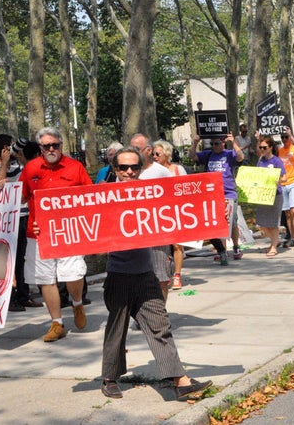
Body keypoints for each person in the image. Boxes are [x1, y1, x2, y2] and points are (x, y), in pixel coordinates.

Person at [100, 147, 213, 400]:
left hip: (146, 273)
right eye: (123, 167)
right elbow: (72, 221)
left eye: (134, 167)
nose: (129, 171)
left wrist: (214, 215)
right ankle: (109, 378)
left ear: (141, 168)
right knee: (117, 329)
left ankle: (179, 380)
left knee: (160, 325)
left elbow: (182, 213)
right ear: (115, 169)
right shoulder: (103, 196)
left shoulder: (151, 194)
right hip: (118, 274)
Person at [20, 127, 92, 342]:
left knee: (73, 274)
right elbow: (21, 197)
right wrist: (3, 189)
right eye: (46, 146)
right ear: (40, 148)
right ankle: (57, 323)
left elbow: (89, 197)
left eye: (55, 145)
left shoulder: (75, 167)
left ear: (61, 145)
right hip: (39, 234)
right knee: (46, 279)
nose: (51, 149)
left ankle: (77, 304)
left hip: (69, 232)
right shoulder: (30, 168)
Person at [0, 134, 44, 312]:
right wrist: (4, 163)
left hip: (22, 217)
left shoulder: (19, 166)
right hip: (1, 220)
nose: (12, 149)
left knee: (23, 259)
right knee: (2, 261)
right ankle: (6, 300)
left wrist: (19, 159)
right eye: (9, 147)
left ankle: (24, 297)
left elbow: (32, 177)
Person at [130, 133, 174, 300]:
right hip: (134, 233)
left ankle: (159, 313)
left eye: (137, 148)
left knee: (161, 276)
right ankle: (143, 312)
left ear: (148, 150)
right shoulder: (126, 173)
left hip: (158, 233)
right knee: (137, 277)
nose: (133, 152)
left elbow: (174, 199)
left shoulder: (162, 172)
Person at [189, 133, 245, 264]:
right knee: (220, 222)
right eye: (212, 144)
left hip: (228, 193)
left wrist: (234, 142)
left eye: (217, 143)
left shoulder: (229, 154)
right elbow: (192, 156)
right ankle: (223, 250)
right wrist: (195, 143)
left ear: (223, 143)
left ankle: (236, 246)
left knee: (232, 222)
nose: (214, 146)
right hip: (213, 194)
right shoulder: (208, 154)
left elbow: (240, 157)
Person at [152, 139, 188, 290]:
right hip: (158, 213)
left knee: (176, 245)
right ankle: (163, 274)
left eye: (157, 153)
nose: (154, 156)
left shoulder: (177, 170)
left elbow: (187, 189)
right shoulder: (151, 171)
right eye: (153, 154)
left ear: (166, 154)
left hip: (176, 212)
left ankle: (177, 275)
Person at [255, 134, 287, 257]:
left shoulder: (276, 161)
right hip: (263, 194)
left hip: (275, 195)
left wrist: (276, 181)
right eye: (260, 147)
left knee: (273, 223)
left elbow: (285, 177)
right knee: (262, 223)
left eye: (264, 147)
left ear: (270, 147)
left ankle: (274, 246)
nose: (262, 150)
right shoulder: (260, 161)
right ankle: (275, 240)